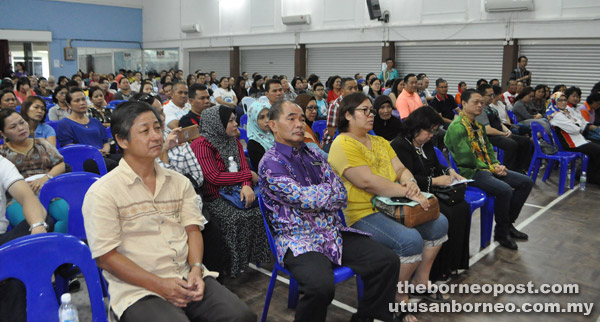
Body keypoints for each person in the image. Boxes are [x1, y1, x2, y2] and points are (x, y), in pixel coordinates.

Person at [81, 101, 255, 322]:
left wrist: (196, 269)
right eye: (145, 131)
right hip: (138, 289)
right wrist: (160, 285)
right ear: (122, 140)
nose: (156, 136)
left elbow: (193, 230)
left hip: (186, 276)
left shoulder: (179, 183)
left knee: (241, 316)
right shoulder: (103, 192)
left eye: (157, 128)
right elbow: (106, 257)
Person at [258, 99, 399, 322]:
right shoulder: (270, 163)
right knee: (320, 287)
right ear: (274, 125)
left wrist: (318, 195)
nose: (299, 124)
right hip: (299, 240)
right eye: (291, 118)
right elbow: (300, 197)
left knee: (387, 261)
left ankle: (365, 319)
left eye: (302, 119)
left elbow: (341, 193)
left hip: (333, 233)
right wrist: (324, 192)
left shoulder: (314, 155)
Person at [328, 92, 449, 322]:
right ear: (348, 115)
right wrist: (406, 191)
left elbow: (401, 169)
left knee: (439, 223)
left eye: (370, 110)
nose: (371, 114)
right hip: (361, 212)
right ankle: (398, 296)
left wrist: (411, 183)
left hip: (391, 205)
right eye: (364, 110)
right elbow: (367, 182)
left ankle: (420, 281)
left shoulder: (380, 141)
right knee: (410, 240)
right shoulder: (342, 144)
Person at [444, 89, 533, 250]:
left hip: (486, 168)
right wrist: (492, 168)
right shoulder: (457, 127)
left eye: (481, 102)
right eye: (475, 102)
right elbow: (467, 159)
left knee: (525, 182)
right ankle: (501, 233)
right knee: (505, 190)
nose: (480, 105)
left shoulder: (477, 125)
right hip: (470, 172)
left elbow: (488, 150)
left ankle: (508, 225)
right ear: (464, 104)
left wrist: (496, 164)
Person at [390, 106, 470, 282]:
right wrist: (434, 181)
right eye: (429, 131)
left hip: (432, 191)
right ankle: (436, 270)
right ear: (416, 127)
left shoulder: (425, 144)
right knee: (446, 213)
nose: (432, 135)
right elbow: (406, 180)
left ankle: (453, 263)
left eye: (434, 131)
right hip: (414, 195)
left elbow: (436, 165)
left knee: (462, 207)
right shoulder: (400, 145)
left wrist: (450, 172)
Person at [190, 106, 270, 277]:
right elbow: (214, 177)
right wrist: (248, 176)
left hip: (237, 190)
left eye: (235, 119)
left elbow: (243, 166)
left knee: (261, 212)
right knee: (234, 218)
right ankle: (232, 265)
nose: (236, 124)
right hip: (215, 197)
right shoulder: (202, 145)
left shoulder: (233, 140)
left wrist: (246, 184)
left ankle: (251, 258)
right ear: (217, 124)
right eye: (231, 121)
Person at [0, 153, 52, 322]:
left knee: (43, 220)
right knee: (16, 269)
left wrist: (37, 227)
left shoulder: (2, 164)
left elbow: (28, 198)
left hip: (3, 243)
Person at [0, 108, 67, 229]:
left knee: (67, 214)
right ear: (3, 133)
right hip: (16, 199)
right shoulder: (2, 154)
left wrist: (46, 178)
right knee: (30, 224)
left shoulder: (41, 143)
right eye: (13, 127)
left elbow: (61, 164)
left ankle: (58, 246)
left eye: (22, 122)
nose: (21, 128)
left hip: (47, 191)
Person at [57, 87, 119, 173]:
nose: (82, 103)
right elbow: (70, 148)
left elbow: (105, 142)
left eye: (83, 99)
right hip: (82, 159)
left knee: (125, 161)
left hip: (101, 155)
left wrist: (105, 149)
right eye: (77, 101)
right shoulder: (65, 123)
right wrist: (93, 152)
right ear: (69, 105)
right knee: (113, 166)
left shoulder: (95, 121)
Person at [476, 84, 531, 173]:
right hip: (489, 137)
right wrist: (503, 134)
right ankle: (508, 170)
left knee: (525, 141)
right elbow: (487, 129)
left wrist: (507, 130)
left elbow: (500, 123)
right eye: (490, 95)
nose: (492, 97)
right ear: (482, 96)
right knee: (511, 144)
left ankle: (520, 169)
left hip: (499, 133)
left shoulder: (491, 108)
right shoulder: (480, 110)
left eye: (493, 95)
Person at [550, 92, 600, 186]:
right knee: (598, 150)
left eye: (565, 100)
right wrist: (576, 124)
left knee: (596, 149)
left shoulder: (565, 112)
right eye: (560, 100)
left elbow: (579, 123)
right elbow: (576, 129)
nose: (564, 102)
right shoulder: (557, 115)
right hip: (570, 144)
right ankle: (593, 177)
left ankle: (589, 174)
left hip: (578, 140)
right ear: (554, 101)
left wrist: (576, 124)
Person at [323, 78, 359, 148]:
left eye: (355, 88)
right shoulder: (335, 106)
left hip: (354, 140)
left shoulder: (358, 104)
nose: (354, 91)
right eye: (350, 88)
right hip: (333, 142)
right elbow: (332, 132)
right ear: (342, 91)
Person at [246, 100, 274, 170]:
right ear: (254, 120)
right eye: (262, 117)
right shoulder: (253, 143)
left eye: (269, 115)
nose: (267, 120)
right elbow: (266, 167)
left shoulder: (274, 132)